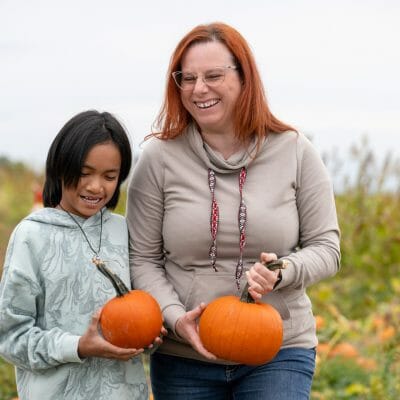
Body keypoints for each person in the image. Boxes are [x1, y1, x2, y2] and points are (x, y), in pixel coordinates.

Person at [127, 22, 340, 400]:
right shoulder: (158, 159)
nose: (199, 89)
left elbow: (327, 247)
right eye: (187, 78)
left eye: (213, 76)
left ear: (244, 78)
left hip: (278, 350)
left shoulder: (294, 150)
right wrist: (177, 319)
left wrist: (283, 271)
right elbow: (141, 259)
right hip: (184, 357)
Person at [0, 110, 154, 400]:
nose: (96, 186)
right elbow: (11, 336)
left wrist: (149, 336)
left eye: (110, 176)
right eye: (84, 173)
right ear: (60, 166)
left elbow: (142, 310)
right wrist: (78, 346)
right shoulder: (32, 236)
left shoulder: (124, 231)